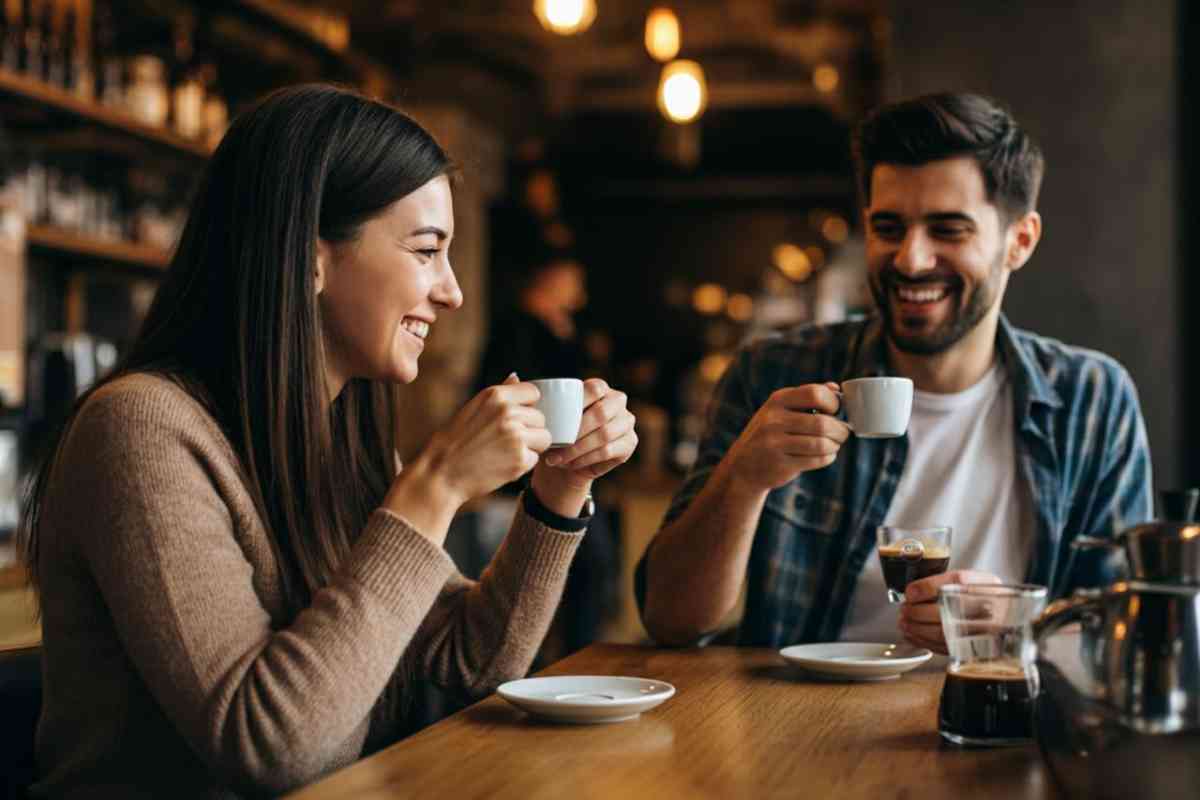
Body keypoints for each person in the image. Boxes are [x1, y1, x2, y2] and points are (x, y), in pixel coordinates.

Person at [17, 84, 637, 798]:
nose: (454, 292)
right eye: (427, 251)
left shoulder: (342, 435)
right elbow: (269, 747)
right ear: (309, 259)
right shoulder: (141, 432)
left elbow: (472, 664)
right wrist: (431, 492)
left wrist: (557, 494)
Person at [637, 92, 1152, 652]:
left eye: (948, 230)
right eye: (889, 228)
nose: (910, 259)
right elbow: (671, 622)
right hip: (793, 727)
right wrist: (742, 481)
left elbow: (1126, 629)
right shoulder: (776, 373)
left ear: (1019, 241)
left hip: (1001, 723)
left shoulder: (1092, 399)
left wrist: (1016, 627)